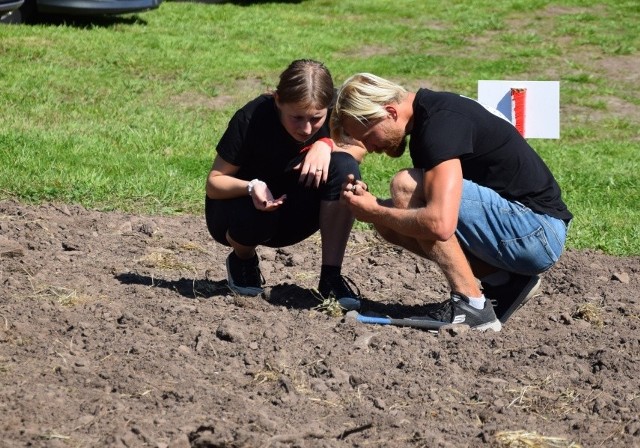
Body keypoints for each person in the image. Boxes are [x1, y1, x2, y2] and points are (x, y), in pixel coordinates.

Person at [332, 73, 572, 331]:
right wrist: (379, 213)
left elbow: (439, 224)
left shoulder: (439, 124)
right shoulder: (430, 116)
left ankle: (473, 306)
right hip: (531, 230)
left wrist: (374, 210)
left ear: (389, 112)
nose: (370, 147)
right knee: (391, 221)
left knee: (406, 187)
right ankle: (505, 283)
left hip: (536, 231)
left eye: (368, 136)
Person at [205, 59, 367, 310]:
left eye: (316, 119)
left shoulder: (335, 111)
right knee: (255, 217)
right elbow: (214, 183)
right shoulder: (252, 117)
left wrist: (325, 145)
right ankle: (243, 259)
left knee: (345, 167)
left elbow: (358, 148)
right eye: (297, 118)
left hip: (295, 211)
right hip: (242, 214)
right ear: (278, 100)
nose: (306, 128)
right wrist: (251, 186)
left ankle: (330, 277)